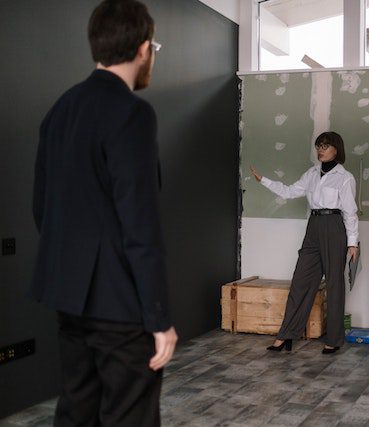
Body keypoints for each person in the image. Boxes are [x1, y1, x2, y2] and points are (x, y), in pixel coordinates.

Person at [30, 1, 177, 425]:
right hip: (120, 305)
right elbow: (141, 225)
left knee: (78, 413)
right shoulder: (132, 113)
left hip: (69, 297)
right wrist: (159, 318)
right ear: (144, 48)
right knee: (130, 416)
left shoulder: (60, 109)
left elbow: (43, 208)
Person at [251, 131, 359, 354]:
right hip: (314, 226)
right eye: (318, 146)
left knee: (334, 285)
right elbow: (290, 192)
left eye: (325, 146)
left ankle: (334, 339)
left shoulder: (345, 177)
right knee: (301, 281)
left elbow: (350, 212)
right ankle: (286, 335)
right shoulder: (311, 174)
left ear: (336, 150)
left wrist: (353, 243)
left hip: (334, 227)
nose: (320, 150)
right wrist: (264, 181)